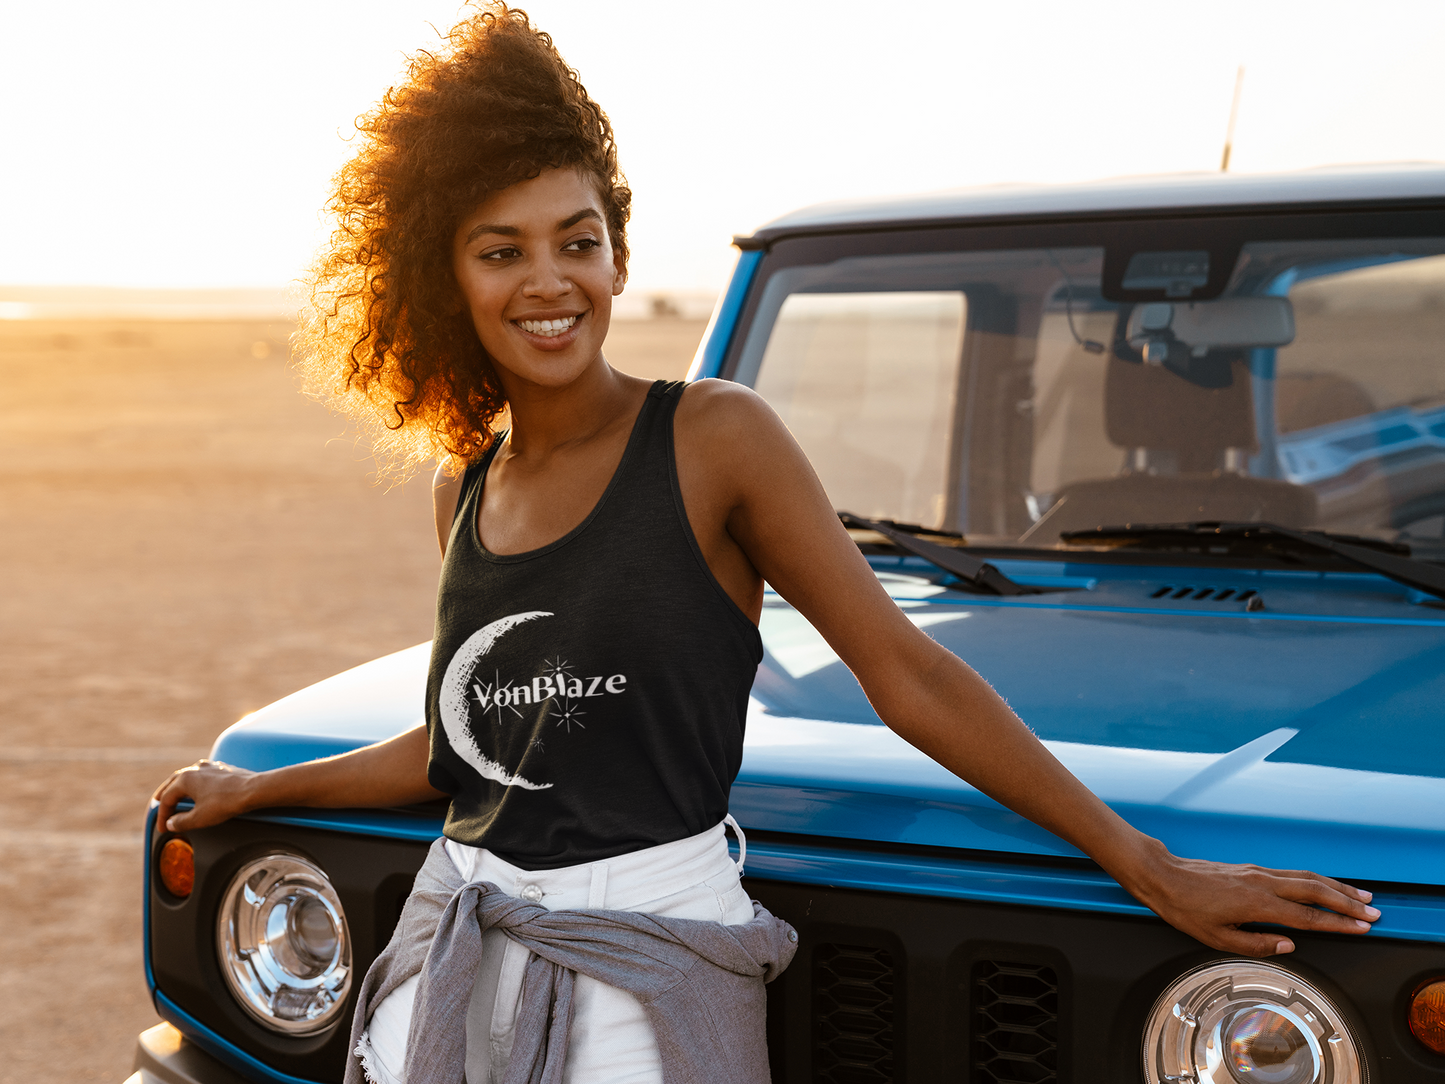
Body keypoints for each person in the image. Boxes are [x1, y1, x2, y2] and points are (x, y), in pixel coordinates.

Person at [152, 5, 1380, 1083]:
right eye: (502, 249)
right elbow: (470, 744)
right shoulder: (463, 486)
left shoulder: (713, 437)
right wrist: (260, 788)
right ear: (446, 279)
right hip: (457, 933)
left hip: (653, 953)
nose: (551, 280)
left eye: (577, 240)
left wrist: (1143, 859)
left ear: (620, 253)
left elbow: (908, 675)